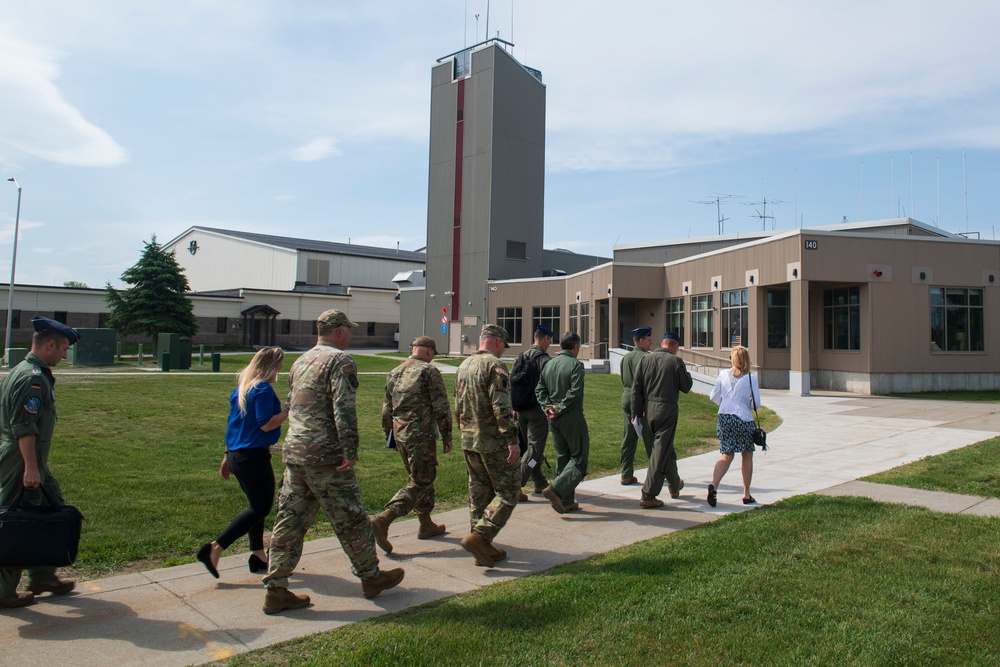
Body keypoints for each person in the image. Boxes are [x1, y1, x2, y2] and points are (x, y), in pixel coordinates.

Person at [261, 309, 404, 614]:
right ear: (339, 332)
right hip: (326, 456)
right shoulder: (340, 361)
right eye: (348, 330)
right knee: (351, 518)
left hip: (297, 454)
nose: (349, 335)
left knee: (289, 521)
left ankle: (276, 589)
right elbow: (343, 408)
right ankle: (371, 577)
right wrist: (349, 450)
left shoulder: (301, 361)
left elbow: (292, 405)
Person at [0, 317, 80, 609]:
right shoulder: (32, 377)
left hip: (30, 458)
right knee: (16, 522)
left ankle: (43, 575)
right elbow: (25, 427)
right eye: (63, 349)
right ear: (50, 344)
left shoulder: (26, 371)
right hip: (22, 460)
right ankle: (3, 591)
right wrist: (31, 468)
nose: (64, 354)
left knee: (50, 508)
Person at [197, 347, 288, 579]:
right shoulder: (263, 388)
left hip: (238, 456)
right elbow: (265, 424)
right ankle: (215, 548)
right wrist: (290, 409)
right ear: (272, 366)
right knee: (260, 508)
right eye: (279, 365)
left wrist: (227, 456)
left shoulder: (243, 389)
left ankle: (258, 555)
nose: (280, 370)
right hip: (253, 457)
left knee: (255, 507)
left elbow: (233, 425)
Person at [370, 335, 453, 553]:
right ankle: (385, 519)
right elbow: (441, 407)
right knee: (422, 480)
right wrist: (447, 435)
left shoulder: (395, 371)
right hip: (421, 434)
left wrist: (389, 433)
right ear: (428, 351)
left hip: (400, 434)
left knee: (418, 479)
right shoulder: (429, 371)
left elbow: (387, 408)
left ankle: (426, 524)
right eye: (433, 354)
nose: (433, 358)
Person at [454, 324, 521, 568]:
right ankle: (481, 536)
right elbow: (501, 405)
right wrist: (511, 439)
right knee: (509, 491)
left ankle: (481, 547)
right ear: (498, 342)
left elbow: (458, 405)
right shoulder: (495, 365)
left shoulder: (464, 365)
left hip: (469, 439)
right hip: (492, 440)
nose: (503, 351)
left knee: (479, 492)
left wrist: (462, 431)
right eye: (504, 346)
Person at [630, 331, 693, 509]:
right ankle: (648, 494)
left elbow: (636, 389)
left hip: (647, 411)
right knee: (660, 452)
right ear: (673, 345)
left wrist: (636, 413)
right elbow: (686, 387)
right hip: (667, 410)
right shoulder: (675, 361)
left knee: (665, 448)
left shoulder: (645, 359)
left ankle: (674, 485)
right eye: (677, 347)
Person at [536, 332, 588, 514]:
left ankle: (567, 501)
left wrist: (547, 408)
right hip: (570, 415)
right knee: (579, 458)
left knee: (563, 457)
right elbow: (575, 392)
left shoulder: (549, 364)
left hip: (553, 418)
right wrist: (559, 408)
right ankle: (556, 490)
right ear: (575, 347)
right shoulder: (575, 365)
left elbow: (539, 389)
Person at [707, 347, 761, 506]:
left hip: (724, 417)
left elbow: (714, 396)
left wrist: (725, 402)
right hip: (743, 418)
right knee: (747, 454)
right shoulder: (752, 377)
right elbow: (756, 404)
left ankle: (714, 485)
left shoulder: (723, 374)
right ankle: (746, 493)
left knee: (727, 454)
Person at [510, 324, 553, 501]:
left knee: (529, 449)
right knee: (534, 451)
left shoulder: (521, 357)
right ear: (545, 339)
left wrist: (513, 407)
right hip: (537, 410)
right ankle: (513, 487)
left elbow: (511, 384)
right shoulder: (544, 359)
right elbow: (552, 384)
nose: (549, 343)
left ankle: (539, 481)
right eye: (549, 340)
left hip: (520, 410)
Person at [619, 326, 655, 485]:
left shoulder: (625, 358)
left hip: (627, 398)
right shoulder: (646, 358)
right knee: (651, 438)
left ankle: (626, 473)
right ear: (641, 341)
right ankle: (660, 473)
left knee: (629, 437)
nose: (651, 342)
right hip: (641, 401)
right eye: (648, 339)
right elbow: (648, 383)